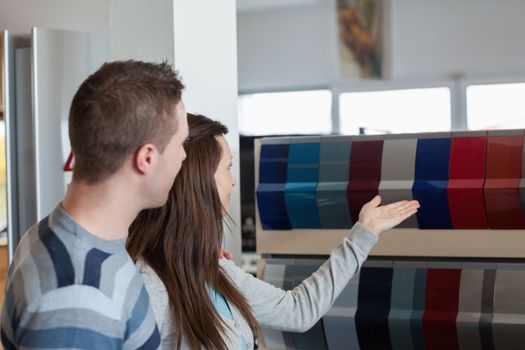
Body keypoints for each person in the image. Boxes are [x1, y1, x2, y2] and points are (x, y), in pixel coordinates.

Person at [127, 114, 420, 350]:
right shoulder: (149, 285)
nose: (234, 182)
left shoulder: (213, 268)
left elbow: (298, 310)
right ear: (199, 180)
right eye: (227, 168)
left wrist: (365, 232)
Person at [1, 60, 189, 349]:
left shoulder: (51, 232)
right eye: (181, 144)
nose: (184, 157)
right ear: (147, 158)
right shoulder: (78, 301)